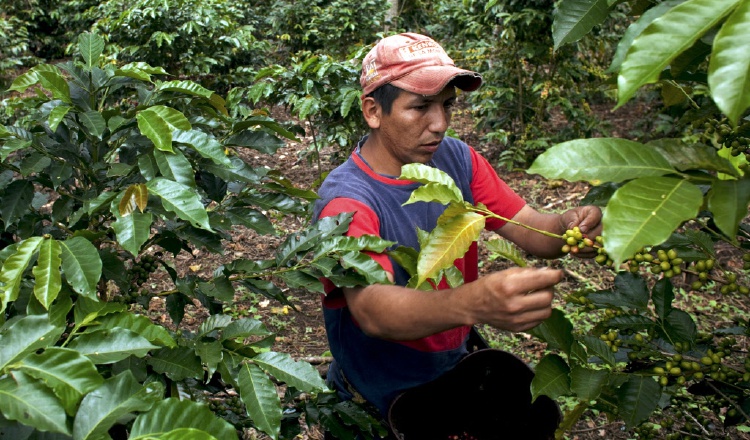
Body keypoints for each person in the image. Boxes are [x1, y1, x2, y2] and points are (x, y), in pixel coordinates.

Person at [311, 32, 602, 436]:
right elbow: (372, 310)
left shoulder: (457, 160)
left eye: (447, 105)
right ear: (373, 111)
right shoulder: (347, 202)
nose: (440, 124)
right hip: (376, 389)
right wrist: (471, 303)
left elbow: (535, 229)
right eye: (421, 107)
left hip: (451, 366)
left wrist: (571, 225)